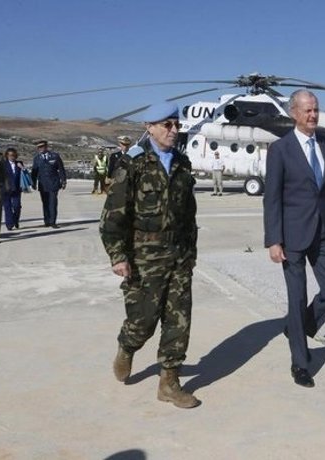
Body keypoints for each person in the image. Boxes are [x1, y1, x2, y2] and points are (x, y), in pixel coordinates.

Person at [100, 102, 200, 409]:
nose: (174, 130)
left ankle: (169, 381)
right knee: (143, 318)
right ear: (150, 128)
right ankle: (127, 345)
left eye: (176, 125)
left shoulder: (183, 164)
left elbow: (189, 214)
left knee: (179, 319)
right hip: (145, 255)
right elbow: (112, 216)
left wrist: (191, 252)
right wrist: (118, 256)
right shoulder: (133, 165)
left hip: (179, 254)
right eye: (167, 125)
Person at [263, 89, 325, 388]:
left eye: (316, 110)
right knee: (296, 299)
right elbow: (271, 198)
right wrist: (274, 239)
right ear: (294, 113)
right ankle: (301, 363)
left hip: (323, 232)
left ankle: (298, 329)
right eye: (307, 110)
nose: (313, 115)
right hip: (292, 235)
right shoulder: (281, 149)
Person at [31, 140, 66, 228]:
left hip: (53, 183)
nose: (40, 149)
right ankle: (47, 221)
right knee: (45, 203)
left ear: (46, 147)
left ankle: (53, 221)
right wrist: (33, 183)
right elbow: (34, 172)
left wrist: (63, 181)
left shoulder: (54, 156)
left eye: (42, 147)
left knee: (53, 203)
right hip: (43, 184)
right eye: (39, 147)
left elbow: (61, 169)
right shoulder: (37, 158)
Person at [2, 147, 23, 230]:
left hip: (17, 189)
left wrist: (22, 167)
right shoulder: (3, 164)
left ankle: (15, 220)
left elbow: (25, 175)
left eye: (14, 155)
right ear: (7, 156)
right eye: (10, 155)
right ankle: (9, 224)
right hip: (5, 189)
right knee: (7, 207)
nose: (12, 157)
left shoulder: (19, 163)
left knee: (17, 206)